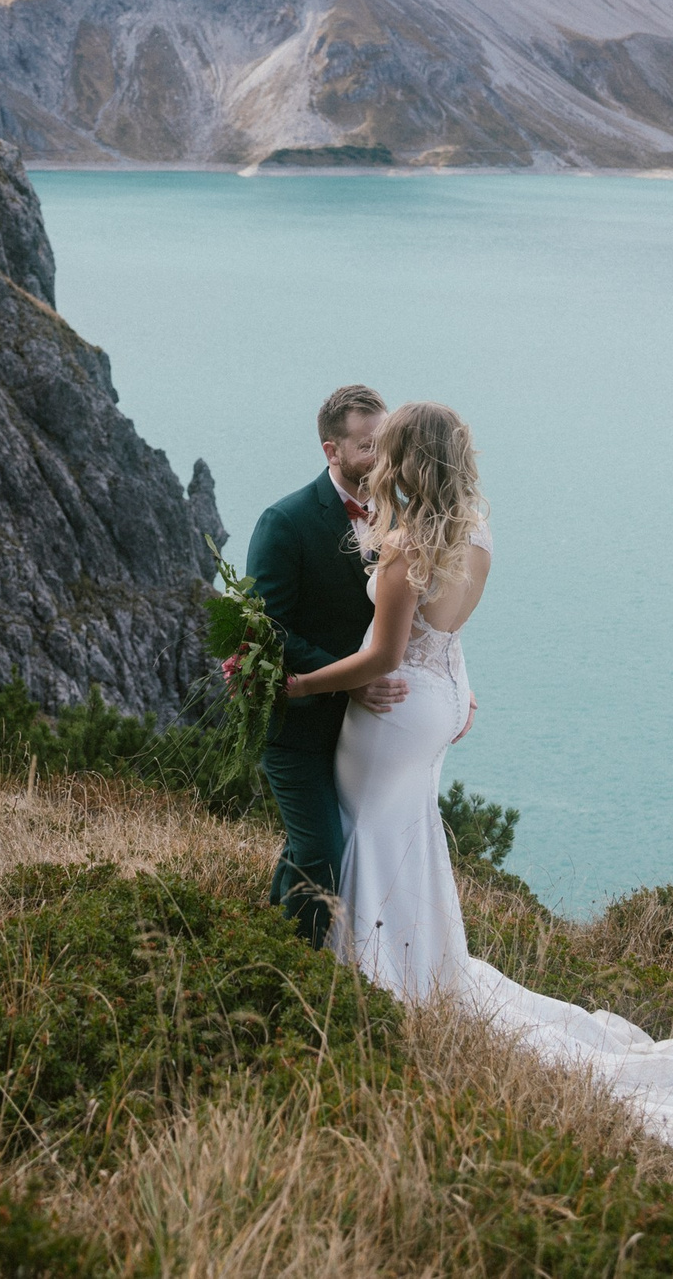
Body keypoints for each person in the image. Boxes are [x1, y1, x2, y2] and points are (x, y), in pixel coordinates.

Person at [281, 401, 673, 1166]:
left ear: (404, 462)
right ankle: (417, 968)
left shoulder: (403, 551)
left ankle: (374, 974)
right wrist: (460, 696)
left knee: (367, 829)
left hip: (393, 716)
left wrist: (300, 685)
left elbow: (383, 660)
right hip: (434, 707)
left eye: (386, 452)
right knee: (408, 834)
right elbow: (447, 639)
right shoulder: (474, 537)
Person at [245, 384, 407, 947]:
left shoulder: (402, 519)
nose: (381, 458)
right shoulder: (284, 521)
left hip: (368, 733)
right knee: (319, 854)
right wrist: (352, 677)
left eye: (386, 445)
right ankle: (300, 979)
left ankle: (266, 947)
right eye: (366, 447)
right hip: (299, 724)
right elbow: (265, 629)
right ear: (330, 451)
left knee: (327, 849)